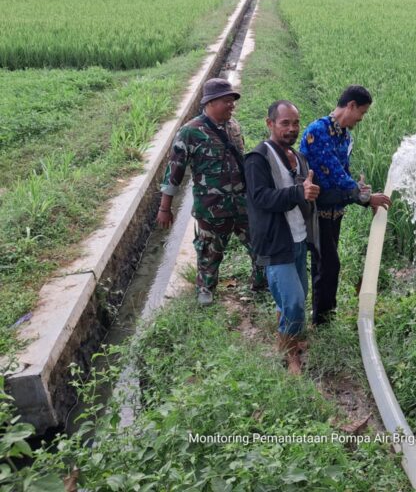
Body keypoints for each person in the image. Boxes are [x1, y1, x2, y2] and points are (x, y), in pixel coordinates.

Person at [157, 77, 266, 306]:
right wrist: (165, 208)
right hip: (211, 209)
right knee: (209, 252)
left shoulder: (233, 126)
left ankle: (260, 283)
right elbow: (174, 173)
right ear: (210, 102)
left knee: (258, 243)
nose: (232, 105)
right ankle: (206, 288)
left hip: (242, 203)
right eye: (227, 101)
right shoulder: (189, 133)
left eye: (233, 101)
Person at [300, 85, 392, 326]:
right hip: (317, 211)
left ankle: (323, 316)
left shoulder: (344, 136)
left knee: (324, 263)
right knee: (328, 264)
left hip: (335, 211)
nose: (361, 118)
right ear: (350, 105)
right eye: (361, 112)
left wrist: (361, 191)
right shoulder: (318, 132)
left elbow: (344, 174)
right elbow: (334, 175)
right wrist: (365, 198)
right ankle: (322, 320)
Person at [245, 100, 320, 374]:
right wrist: (299, 193)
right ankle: (290, 357)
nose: (291, 128)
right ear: (270, 124)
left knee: (293, 298)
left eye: (295, 123)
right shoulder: (258, 159)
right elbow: (261, 198)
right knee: (294, 302)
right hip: (276, 243)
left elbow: (303, 193)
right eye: (284, 123)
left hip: (298, 239)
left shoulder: (298, 157)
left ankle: (287, 340)